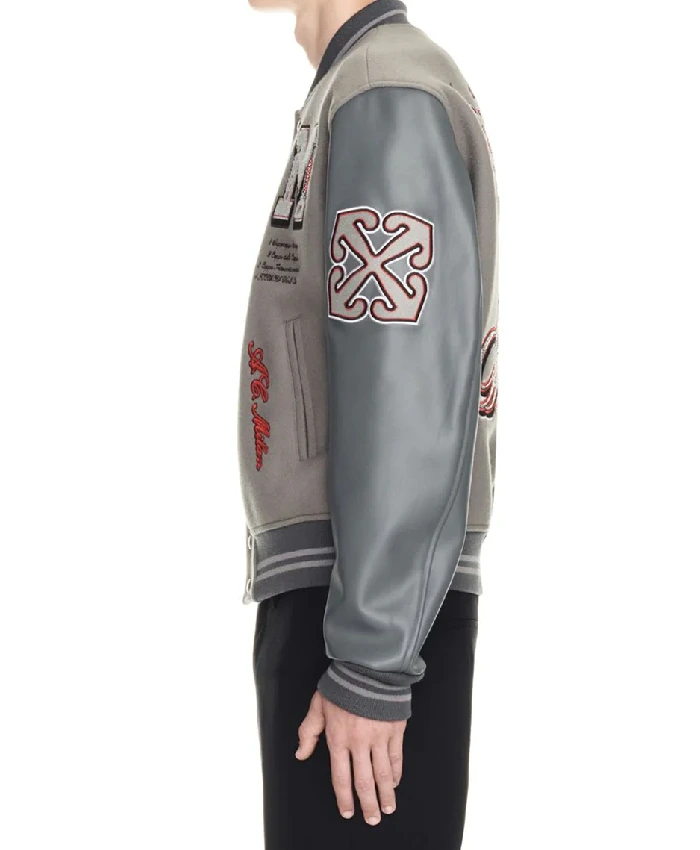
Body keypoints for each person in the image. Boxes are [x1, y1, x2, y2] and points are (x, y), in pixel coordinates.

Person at [237, 1, 499, 847]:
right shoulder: (358, 85)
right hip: (352, 597)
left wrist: (370, 663)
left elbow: (406, 380)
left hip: (364, 614)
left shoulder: (385, 90)